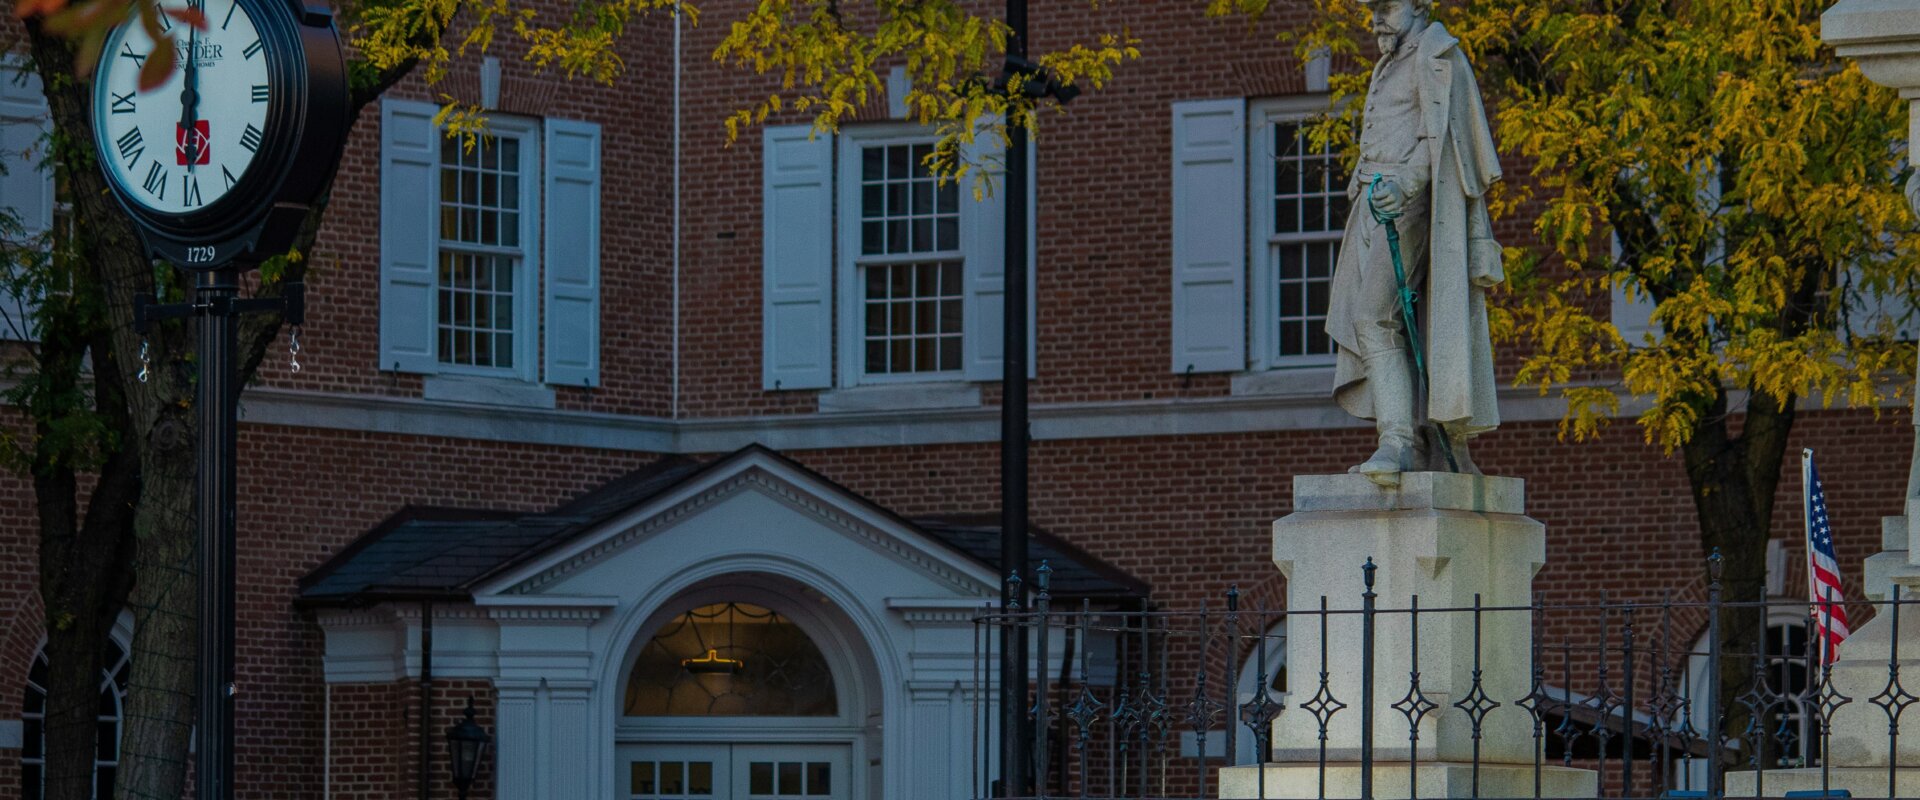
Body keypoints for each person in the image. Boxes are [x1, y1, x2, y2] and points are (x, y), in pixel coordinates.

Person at [1326, 0, 1505, 486]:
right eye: (1372, 9)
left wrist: (1405, 185)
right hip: (1370, 202)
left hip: (1411, 205)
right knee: (1396, 324)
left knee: (1373, 315)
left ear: (1420, 5)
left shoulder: (1441, 55)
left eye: (1386, 6)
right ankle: (1420, 440)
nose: (1376, 18)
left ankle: (1397, 441)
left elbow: (1441, 137)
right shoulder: (1389, 62)